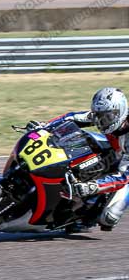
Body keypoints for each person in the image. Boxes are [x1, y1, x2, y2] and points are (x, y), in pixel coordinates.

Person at [27, 87, 129, 230]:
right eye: (98, 115)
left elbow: (123, 177)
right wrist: (44, 127)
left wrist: (92, 186)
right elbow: (72, 118)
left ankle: (84, 218)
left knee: (109, 217)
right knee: (78, 140)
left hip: (126, 170)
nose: (101, 121)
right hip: (115, 151)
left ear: (120, 112)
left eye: (107, 117)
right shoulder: (104, 117)